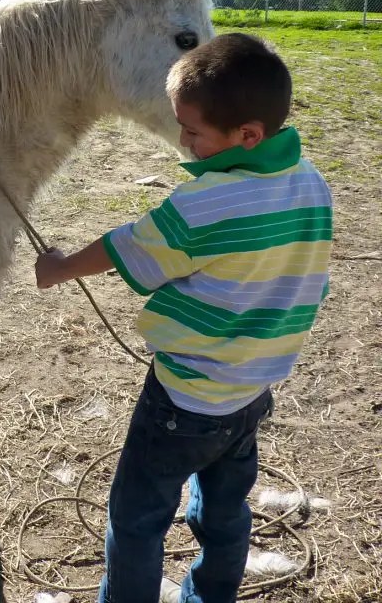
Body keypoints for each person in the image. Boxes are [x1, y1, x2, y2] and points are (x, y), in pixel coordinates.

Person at [34, 33, 332, 603]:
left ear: (248, 136)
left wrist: (60, 266)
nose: (184, 142)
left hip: (184, 398)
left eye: (193, 132)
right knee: (225, 511)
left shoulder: (204, 204)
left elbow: (129, 248)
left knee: (137, 516)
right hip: (251, 392)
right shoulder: (311, 183)